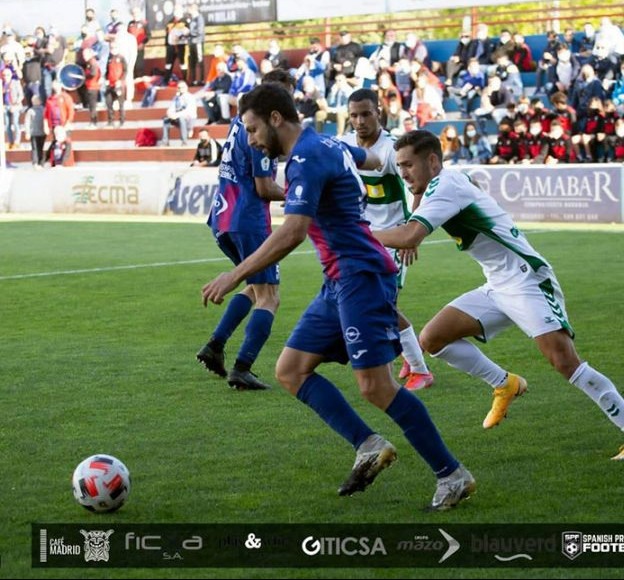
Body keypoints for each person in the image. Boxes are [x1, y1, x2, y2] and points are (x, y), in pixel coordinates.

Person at [201, 84, 475, 511]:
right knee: (291, 370)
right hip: (337, 280)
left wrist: (235, 274)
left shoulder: (309, 158)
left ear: (276, 119)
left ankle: (451, 474)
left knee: (376, 387)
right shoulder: (328, 144)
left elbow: (292, 232)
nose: (251, 140)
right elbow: (370, 157)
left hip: (361, 276)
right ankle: (368, 444)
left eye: (253, 129)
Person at [374, 130, 624, 461]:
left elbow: (411, 234)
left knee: (564, 361)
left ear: (432, 161)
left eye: (408, 165)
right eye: (400, 166)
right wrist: (411, 229)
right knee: (433, 339)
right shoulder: (445, 181)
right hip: (497, 284)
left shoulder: (447, 186)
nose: (404, 173)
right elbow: (415, 222)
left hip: (526, 279)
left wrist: (361, 233)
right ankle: (504, 383)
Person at [196, 70, 293, 390]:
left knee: (254, 287)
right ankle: (243, 366)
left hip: (223, 217)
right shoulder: (261, 130)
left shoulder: (241, 123)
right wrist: (300, 196)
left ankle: (215, 345)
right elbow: (264, 188)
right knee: (270, 297)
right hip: (248, 218)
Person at [340, 89, 435, 391]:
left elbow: (420, 187)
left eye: (366, 113)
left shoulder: (393, 149)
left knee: (382, 306)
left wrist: (413, 233)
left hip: (393, 236)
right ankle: (409, 356)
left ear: (378, 112)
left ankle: (421, 370)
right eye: (354, 115)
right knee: (377, 304)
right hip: (363, 237)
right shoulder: (346, 146)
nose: (359, 121)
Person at [161, 81, 197, 146]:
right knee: (166, 120)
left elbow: (189, 111)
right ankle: (165, 142)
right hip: (178, 117)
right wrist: (170, 114)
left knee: (181, 118)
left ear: (186, 88)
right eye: (179, 87)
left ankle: (184, 141)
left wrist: (176, 115)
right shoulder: (176, 98)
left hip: (189, 119)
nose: (180, 89)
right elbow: (171, 108)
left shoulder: (191, 97)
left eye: (182, 87)